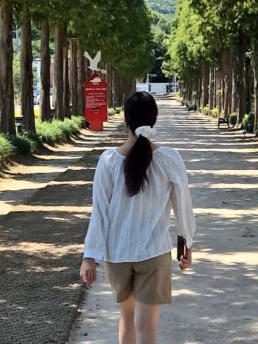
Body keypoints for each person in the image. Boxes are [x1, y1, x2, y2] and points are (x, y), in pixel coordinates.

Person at [80, 91, 195, 344]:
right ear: (154, 119)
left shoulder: (108, 161)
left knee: (127, 317)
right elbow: (183, 207)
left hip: (117, 254)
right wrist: (186, 245)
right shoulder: (169, 159)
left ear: (126, 120)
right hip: (154, 253)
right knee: (146, 328)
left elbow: (99, 213)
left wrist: (90, 257)